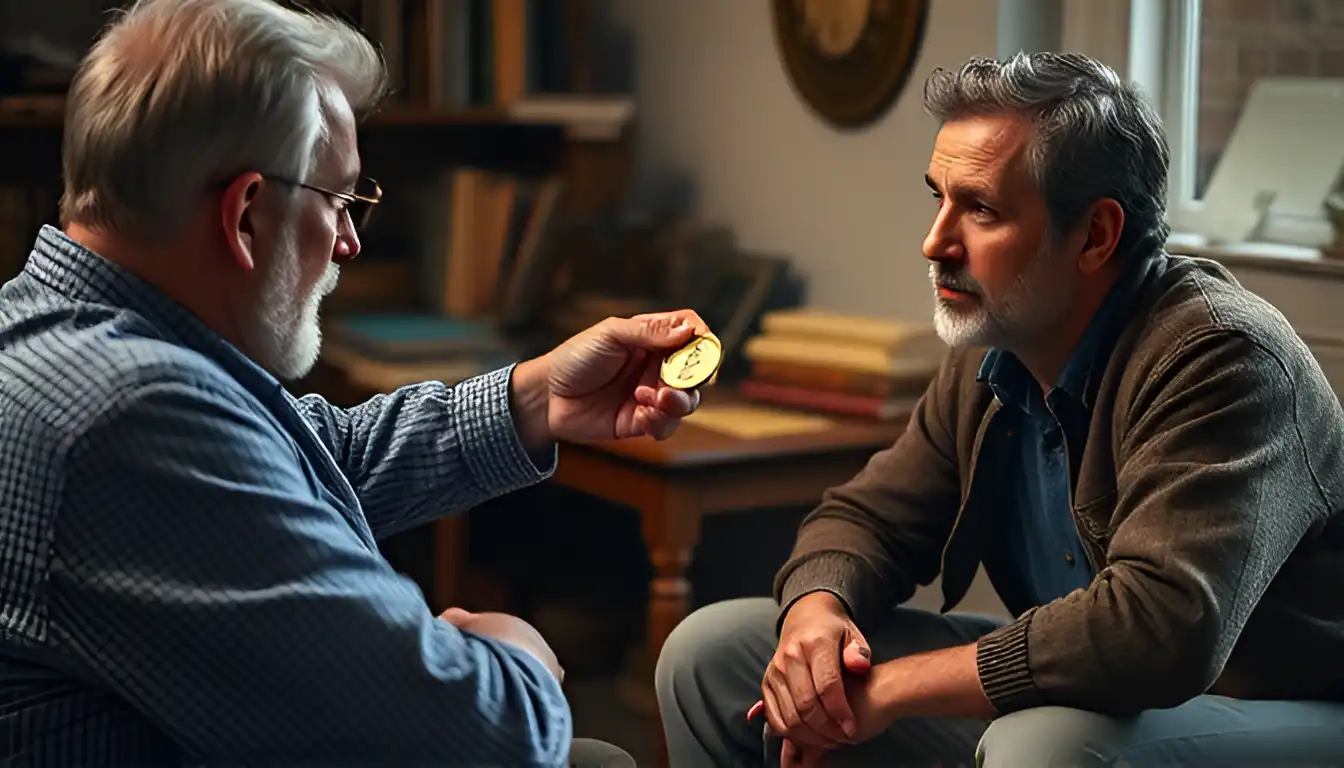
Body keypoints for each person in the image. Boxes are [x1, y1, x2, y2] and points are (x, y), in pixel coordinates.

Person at [0, 0, 698, 765]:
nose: (350, 242)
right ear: (245, 215)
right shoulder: (129, 413)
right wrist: (520, 651)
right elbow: (483, 733)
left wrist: (537, 399)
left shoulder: (50, 329)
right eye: (338, 201)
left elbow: (299, 458)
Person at [656, 51, 1344, 767]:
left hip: (1290, 709)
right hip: (1100, 700)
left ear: (1096, 235)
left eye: (980, 208)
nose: (935, 242)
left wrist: (893, 688)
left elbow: (1159, 628)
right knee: (715, 653)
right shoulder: (1001, 346)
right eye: (938, 198)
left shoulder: (1222, 357)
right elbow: (866, 518)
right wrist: (815, 623)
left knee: (1043, 745)